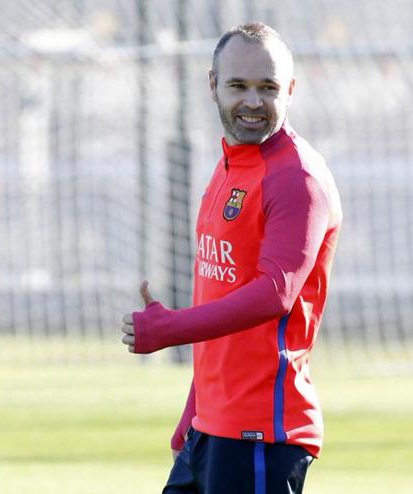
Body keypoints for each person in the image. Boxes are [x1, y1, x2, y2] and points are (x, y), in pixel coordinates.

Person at [121, 21, 342, 494]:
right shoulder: (229, 168)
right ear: (213, 85)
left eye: (268, 88)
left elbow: (274, 294)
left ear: (290, 90)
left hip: (263, 433)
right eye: (238, 86)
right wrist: (194, 411)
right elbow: (220, 297)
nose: (253, 102)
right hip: (213, 428)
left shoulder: (297, 178)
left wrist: (169, 329)